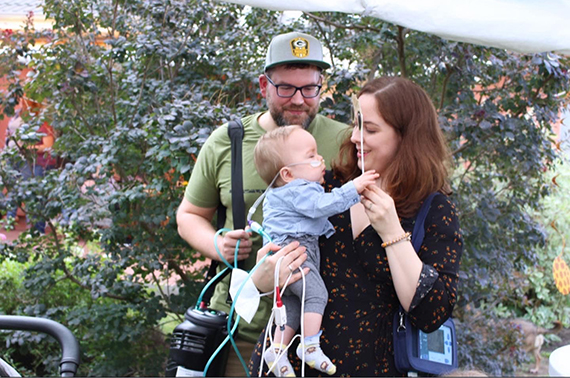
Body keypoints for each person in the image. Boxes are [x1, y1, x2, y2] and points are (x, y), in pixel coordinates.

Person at [250, 76, 463, 376]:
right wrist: (261, 279)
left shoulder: (433, 210)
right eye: (356, 125)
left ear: (407, 137)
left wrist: (392, 233)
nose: (354, 137)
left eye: (370, 129)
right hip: (285, 369)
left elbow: (432, 315)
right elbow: (269, 271)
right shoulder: (328, 186)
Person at [176, 31, 349, 376]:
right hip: (243, 327)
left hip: (325, 331)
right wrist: (217, 244)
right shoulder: (227, 141)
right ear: (263, 85)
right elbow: (188, 215)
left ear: (321, 86)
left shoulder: (345, 139)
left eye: (309, 88)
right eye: (286, 87)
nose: (298, 100)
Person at [253, 126, 378, 376]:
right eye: (311, 156)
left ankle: (277, 350)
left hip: (289, 253)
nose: (320, 159)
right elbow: (322, 205)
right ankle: (309, 346)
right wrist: (354, 188)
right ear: (287, 173)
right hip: (296, 251)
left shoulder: (288, 189)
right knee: (316, 295)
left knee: (291, 303)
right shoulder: (297, 190)